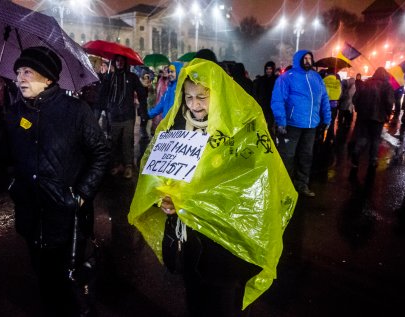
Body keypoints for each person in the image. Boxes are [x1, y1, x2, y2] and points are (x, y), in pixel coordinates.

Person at [129, 58, 297, 317]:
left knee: (224, 303)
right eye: (188, 97)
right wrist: (165, 198)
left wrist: (196, 200)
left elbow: (253, 186)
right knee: (195, 299)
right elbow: (161, 174)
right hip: (190, 243)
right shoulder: (175, 126)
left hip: (227, 248)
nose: (194, 105)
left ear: (217, 93)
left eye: (202, 97)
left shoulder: (242, 130)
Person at [5, 46, 110, 317]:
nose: (20, 78)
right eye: (18, 72)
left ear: (49, 78)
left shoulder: (76, 111)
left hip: (65, 217)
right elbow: (6, 157)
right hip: (30, 214)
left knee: (69, 283)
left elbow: (101, 152)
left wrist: (82, 194)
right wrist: (12, 185)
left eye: (27, 71)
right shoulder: (14, 113)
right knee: (43, 280)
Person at [271, 49, 331, 197]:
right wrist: (281, 121)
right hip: (292, 125)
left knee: (306, 156)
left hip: (311, 126)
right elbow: (278, 100)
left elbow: (324, 99)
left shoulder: (316, 78)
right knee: (287, 156)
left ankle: (302, 184)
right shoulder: (287, 77)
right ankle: (284, 187)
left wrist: (327, 119)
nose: (308, 61)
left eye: (310, 58)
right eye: (305, 58)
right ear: (298, 59)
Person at [100, 54, 148, 179]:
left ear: (125, 63)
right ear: (114, 62)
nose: (119, 63)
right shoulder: (110, 77)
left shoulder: (132, 77)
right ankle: (117, 164)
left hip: (127, 116)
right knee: (114, 142)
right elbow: (103, 95)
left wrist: (143, 111)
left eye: (122, 61)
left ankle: (128, 165)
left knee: (127, 141)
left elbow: (142, 93)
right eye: (117, 60)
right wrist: (104, 83)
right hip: (114, 116)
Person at [351, 67, 394, 170]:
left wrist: (359, 110)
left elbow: (355, 99)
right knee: (375, 139)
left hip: (364, 116)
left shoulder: (366, 83)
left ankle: (356, 153)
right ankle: (373, 160)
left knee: (363, 137)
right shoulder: (387, 86)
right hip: (378, 118)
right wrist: (388, 114)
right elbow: (389, 102)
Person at [253, 61, 278, 139]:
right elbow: (256, 92)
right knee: (262, 126)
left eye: (270, 69)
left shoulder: (276, 80)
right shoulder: (261, 80)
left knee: (270, 127)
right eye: (267, 69)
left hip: (272, 108)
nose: (268, 70)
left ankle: (271, 142)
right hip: (263, 106)